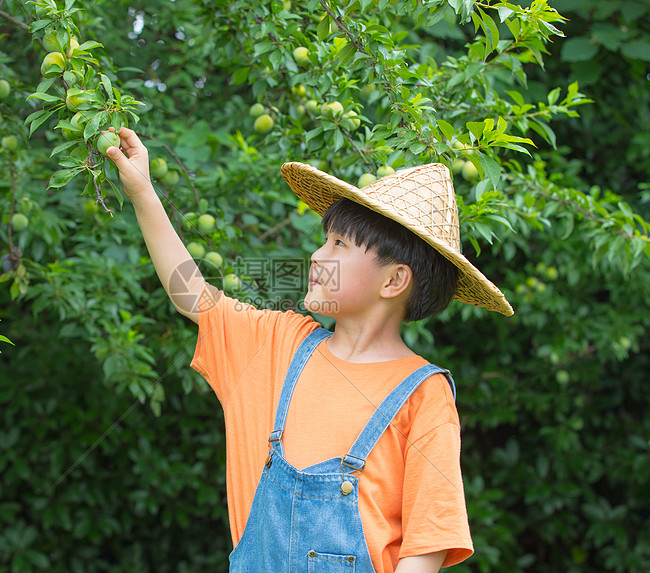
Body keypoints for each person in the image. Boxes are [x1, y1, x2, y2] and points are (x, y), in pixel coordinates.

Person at [105, 126, 513, 572]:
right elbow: (192, 295)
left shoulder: (422, 396)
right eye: (326, 239)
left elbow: (425, 548)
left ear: (394, 280)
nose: (317, 256)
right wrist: (142, 189)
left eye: (339, 244)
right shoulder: (277, 343)